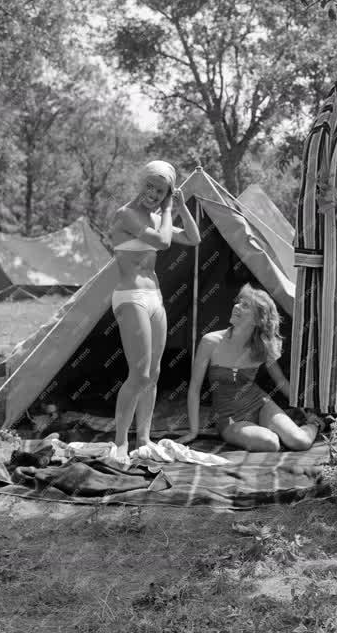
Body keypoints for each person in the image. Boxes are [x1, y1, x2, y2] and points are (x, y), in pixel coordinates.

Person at [110, 160, 200, 462]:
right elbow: (162, 242)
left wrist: (182, 207)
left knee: (155, 373)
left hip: (154, 297)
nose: (153, 193)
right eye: (150, 186)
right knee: (140, 373)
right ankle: (120, 445)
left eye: (161, 191)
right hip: (130, 295)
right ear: (141, 183)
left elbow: (193, 238)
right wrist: (165, 211)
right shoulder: (127, 215)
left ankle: (144, 439)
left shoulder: (155, 217)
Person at [180, 284, 321, 452]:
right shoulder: (211, 342)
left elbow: (281, 381)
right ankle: (275, 428)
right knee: (271, 443)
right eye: (239, 302)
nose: (237, 306)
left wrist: (305, 409)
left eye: (245, 305)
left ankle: (315, 423)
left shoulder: (263, 346)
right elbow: (194, 389)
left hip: (259, 404)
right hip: (229, 417)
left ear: (257, 319)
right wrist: (193, 432)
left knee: (300, 441)